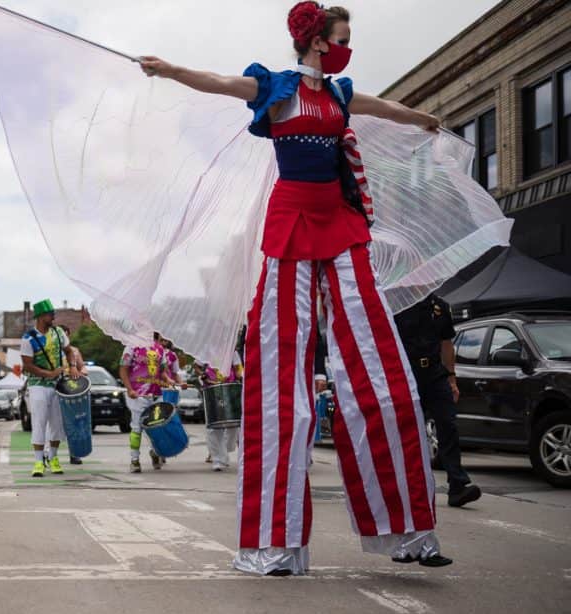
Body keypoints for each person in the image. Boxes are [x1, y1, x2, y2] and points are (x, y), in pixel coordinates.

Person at [140, 2, 451, 574]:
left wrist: (422, 119)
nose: (346, 46)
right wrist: (169, 69)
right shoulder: (275, 87)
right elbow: (217, 83)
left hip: (340, 223)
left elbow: (380, 107)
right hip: (290, 226)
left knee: (380, 372)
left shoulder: (337, 94)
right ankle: (273, 545)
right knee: (282, 386)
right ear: (315, 42)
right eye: (341, 38)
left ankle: (409, 533)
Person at [394, 293, 481, 508]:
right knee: (410, 431)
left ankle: (458, 485)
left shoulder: (439, 306)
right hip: (407, 373)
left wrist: (452, 378)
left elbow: (446, 343)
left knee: (448, 424)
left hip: (435, 373)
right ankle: (408, 486)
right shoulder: (397, 304)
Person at [20, 299, 81, 477]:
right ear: (40, 316)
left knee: (57, 424)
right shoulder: (28, 338)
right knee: (39, 422)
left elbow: (69, 351)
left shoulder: (58, 332)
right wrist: (48, 374)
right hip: (38, 385)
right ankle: (39, 461)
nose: (53, 316)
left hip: (58, 385)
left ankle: (53, 458)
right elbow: (27, 365)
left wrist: (72, 366)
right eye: (50, 314)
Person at [119, 335, 167, 473]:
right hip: (138, 394)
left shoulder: (159, 349)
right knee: (137, 428)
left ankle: (154, 452)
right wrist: (129, 389)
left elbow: (163, 372)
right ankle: (135, 460)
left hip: (156, 394)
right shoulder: (131, 346)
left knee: (158, 426)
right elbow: (123, 369)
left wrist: (172, 382)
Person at [194, 357, 243, 472]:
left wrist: (239, 377)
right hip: (211, 390)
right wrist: (203, 375)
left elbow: (238, 368)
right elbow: (196, 366)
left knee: (233, 427)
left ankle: (224, 453)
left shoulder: (232, 351)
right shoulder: (208, 348)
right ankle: (217, 460)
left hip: (229, 390)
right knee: (213, 428)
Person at [59, 324, 88, 464]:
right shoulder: (53, 350)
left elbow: (82, 366)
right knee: (55, 423)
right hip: (58, 389)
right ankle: (49, 454)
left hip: (73, 390)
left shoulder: (74, 351)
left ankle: (74, 453)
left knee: (73, 422)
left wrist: (82, 371)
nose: (63, 337)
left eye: (66, 334)